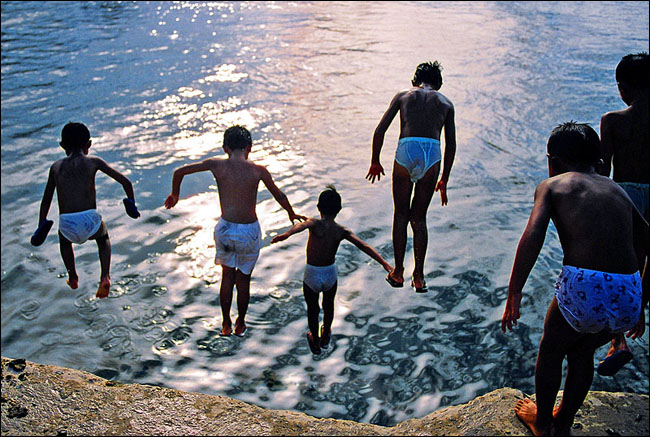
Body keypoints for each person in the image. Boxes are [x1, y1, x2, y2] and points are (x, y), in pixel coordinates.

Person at [501, 122, 647, 436]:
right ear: (598, 161)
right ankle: (563, 423)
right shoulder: (617, 189)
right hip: (629, 291)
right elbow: (645, 239)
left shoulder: (551, 185)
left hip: (585, 284)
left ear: (552, 160)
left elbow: (534, 233)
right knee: (582, 351)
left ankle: (542, 423)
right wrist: (641, 303)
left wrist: (515, 290)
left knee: (552, 349)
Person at [165, 125, 305, 337]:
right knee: (243, 279)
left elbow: (179, 171)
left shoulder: (216, 165)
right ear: (249, 147)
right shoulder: (258, 170)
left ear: (225, 147)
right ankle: (241, 321)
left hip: (225, 229)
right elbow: (279, 195)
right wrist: (291, 214)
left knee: (227, 276)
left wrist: (175, 194)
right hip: (248, 231)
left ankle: (225, 322)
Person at [366, 61, 456, 293]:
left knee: (400, 214)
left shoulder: (403, 96)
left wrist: (375, 161)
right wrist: (444, 178)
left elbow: (380, 130)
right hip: (432, 153)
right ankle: (419, 276)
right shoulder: (446, 103)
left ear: (415, 80)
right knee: (419, 218)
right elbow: (451, 145)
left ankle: (398, 272)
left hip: (407, 148)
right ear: (438, 84)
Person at [271, 185, 393, 355]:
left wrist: (287, 234)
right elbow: (363, 245)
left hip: (312, 273)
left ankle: (314, 338)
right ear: (339, 209)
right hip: (330, 274)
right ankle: (326, 333)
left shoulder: (314, 223)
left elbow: (300, 226)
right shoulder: (341, 231)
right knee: (328, 306)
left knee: (312, 309)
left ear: (318, 207)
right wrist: (385, 264)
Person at [36, 122, 139, 299]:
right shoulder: (94, 162)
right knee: (103, 237)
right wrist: (131, 204)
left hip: (67, 223)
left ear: (62, 146)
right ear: (89, 144)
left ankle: (73, 276)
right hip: (90, 220)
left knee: (64, 242)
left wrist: (41, 225)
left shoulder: (56, 167)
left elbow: (46, 199)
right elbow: (126, 182)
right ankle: (105, 276)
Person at [597, 52, 649, 376]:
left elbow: (602, 169)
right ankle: (639, 310)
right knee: (645, 261)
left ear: (624, 87)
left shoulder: (613, 120)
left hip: (624, 196)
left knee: (620, 265)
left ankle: (618, 341)